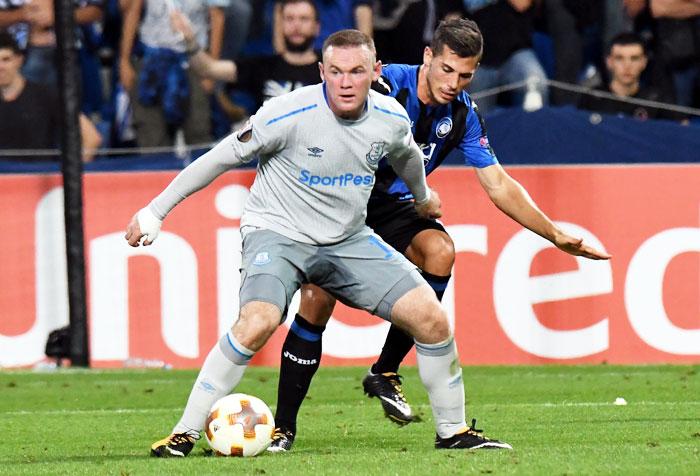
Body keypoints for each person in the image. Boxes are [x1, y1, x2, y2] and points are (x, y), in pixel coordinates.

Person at [126, 29, 515, 457]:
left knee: (432, 319)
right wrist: (155, 211)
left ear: (375, 72)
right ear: (321, 72)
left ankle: (453, 431)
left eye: (356, 72)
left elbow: (407, 157)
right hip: (278, 233)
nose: (346, 82)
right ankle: (184, 432)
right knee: (258, 322)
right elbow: (219, 157)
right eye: (336, 72)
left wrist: (422, 199)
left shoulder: (389, 117)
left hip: (347, 239)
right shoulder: (285, 113)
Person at [267, 18, 611, 453]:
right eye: (447, 69)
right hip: (339, 201)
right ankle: (283, 428)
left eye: (465, 74)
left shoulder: (464, 114)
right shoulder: (383, 82)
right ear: (428, 57)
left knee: (440, 251)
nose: (454, 82)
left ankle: (385, 371)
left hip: (393, 206)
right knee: (317, 299)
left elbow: (498, 183)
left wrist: (554, 234)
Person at [171, 0, 322, 108]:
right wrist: (190, 41)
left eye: (304, 19)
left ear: (317, 27)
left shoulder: (331, 68)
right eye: (290, 19)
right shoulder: (264, 66)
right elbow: (208, 69)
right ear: (280, 24)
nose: (296, 25)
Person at [119, 0, 228, 147]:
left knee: (198, 133)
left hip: (194, 62)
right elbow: (131, 11)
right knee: (151, 136)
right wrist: (124, 60)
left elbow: (217, 18)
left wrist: (212, 69)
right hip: (151, 61)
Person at [0, 32, 102, 161]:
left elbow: (92, 138)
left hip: (41, 175)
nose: (1, 67)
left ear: (19, 60)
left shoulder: (46, 95)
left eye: (6, 59)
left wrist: (69, 176)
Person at [578, 32, 687, 122]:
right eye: (619, 58)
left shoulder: (656, 100)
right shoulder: (592, 99)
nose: (627, 66)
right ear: (609, 62)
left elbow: (683, 130)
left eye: (634, 58)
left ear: (644, 62)